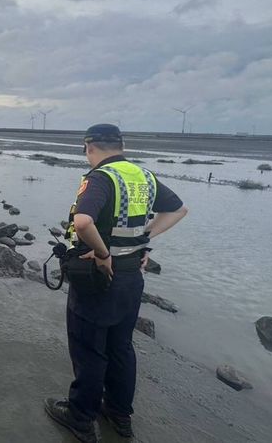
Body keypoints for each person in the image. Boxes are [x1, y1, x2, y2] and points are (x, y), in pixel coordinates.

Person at [44, 124, 187, 442]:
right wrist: (143, 239)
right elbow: (179, 209)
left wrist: (102, 252)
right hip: (131, 278)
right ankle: (120, 415)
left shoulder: (99, 178)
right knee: (121, 347)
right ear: (123, 145)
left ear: (89, 147)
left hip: (100, 280)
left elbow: (82, 221)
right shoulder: (143, 176)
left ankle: (81, 418)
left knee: (89, 349)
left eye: (85, 150)